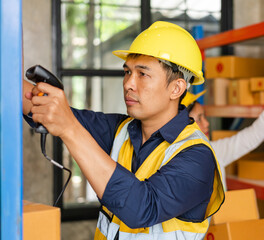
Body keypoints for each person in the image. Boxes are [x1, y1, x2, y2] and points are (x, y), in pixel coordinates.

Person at [22, 21, 225, 240]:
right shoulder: (120, 130)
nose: (128, 83)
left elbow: (142, 208)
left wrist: (70, 128)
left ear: (176, 88)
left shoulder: (197, 157)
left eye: (142, 74)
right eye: (127, 72)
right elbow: (44, 107)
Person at [182, 59, 264, 188]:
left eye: (204, 116)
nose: (206, 123)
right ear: (182, 124)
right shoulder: (172, 162)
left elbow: (256, 132)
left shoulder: (213, 152)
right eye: (199, 118)